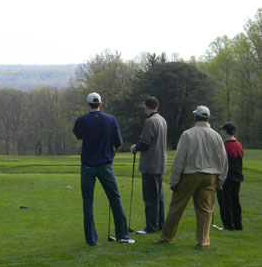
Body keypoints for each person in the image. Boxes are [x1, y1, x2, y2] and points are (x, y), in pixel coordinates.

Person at [158, 106, 227, 249]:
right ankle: (203, 242)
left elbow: (179, 159)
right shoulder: (216, 136)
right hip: (210, 176)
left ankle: (166, 237)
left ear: (195, 117)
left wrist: (174, 180)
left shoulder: (188, 134)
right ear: (208, 118)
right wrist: (220, 180)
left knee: (177, 206)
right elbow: (223, 161)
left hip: (190, 175)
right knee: (205, 210)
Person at [73, 92, 134, 246]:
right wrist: (112, 155)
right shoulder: (111, 120)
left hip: (87, 166)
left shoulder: (81, 120)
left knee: (88, 201)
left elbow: (78, 136)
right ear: (100, 103)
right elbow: (118, 142)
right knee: (115, 199)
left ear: (88, 104)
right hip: (105, 165)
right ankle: (123, 235)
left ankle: (91, 240)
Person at [130, 97, 167, 235]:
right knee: (159, 196)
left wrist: (135, 147)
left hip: (150, 164)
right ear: (156, 106)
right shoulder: (162, 120)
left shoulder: (150, 121)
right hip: (160, 163)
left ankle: (151, 226)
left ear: (146, 106)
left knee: (150, 197)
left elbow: (144, 144)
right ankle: (161, 224)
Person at [217, 122, 244, 231]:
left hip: (227, 177)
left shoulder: (225, 146)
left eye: (223, 130)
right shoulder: (238, 145)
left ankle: (228, 225)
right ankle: (238, 224)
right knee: (235, 200)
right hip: (237, 176)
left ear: (225, 131)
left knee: (225, 201)